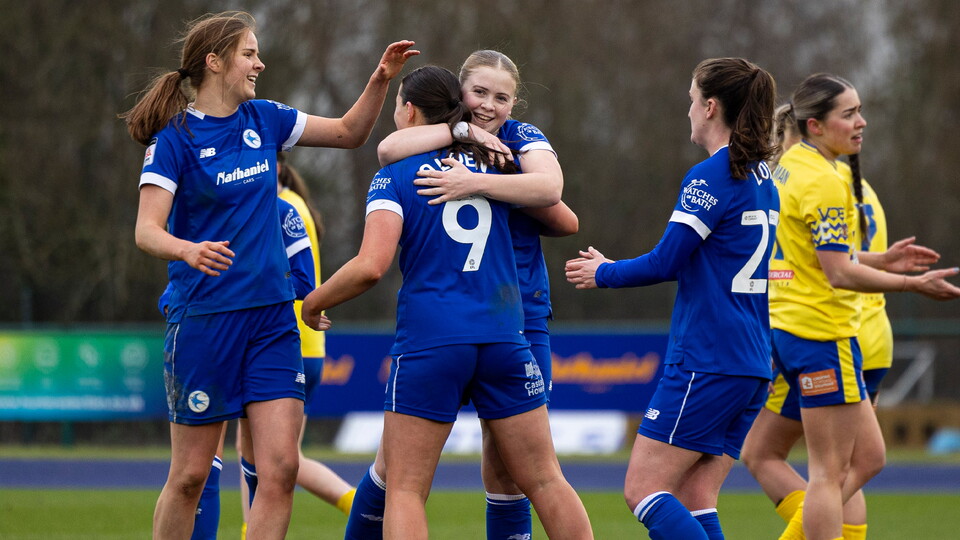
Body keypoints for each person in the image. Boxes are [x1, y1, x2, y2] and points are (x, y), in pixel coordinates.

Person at [121, 10, 417, 539]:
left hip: (273, 325)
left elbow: (350, 133)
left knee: (278, 471)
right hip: (203, 321)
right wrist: (187, 250)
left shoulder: (267, 119)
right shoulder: (173, 140)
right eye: (249, 53)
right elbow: (147, 230)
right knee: (190, 476)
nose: (261, 62)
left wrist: (380, 80)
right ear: (215, 62)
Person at [301, 65, 593, 540]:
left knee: (406, 490)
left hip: (431, 342)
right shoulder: (500, 162)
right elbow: (562, 218)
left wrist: (313, 303)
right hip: (504, 337)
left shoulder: (395, 175)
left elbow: (371, 266)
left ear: (408, 109)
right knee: (543, 479)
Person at [565, 57, 781, 539]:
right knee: (696, 498)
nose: (686, 111)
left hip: (708, 359)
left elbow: (666, 262)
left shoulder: (711, 176)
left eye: (689, 100)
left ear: (709, 106)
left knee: (642, 490)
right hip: (753, 363)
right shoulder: (765, 179)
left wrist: (604, 273)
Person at [747, 73, 960, 540]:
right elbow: (838, 273)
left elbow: (819, 254)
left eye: (861, 110)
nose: (862, 123)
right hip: (822, 333)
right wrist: (911, 283)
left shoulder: (789, 166)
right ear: (815, 125)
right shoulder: (827, 181)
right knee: (829, 474)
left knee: (869, 458)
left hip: (792, 328)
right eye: (849, 114)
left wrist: (879, 259)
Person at [741, 102, 893, 540]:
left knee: (816, 466)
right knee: (842, 461)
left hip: (823, 331)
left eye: (776, 139)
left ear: (795, 136)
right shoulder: (858, 187)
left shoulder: (803, 183)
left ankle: (803, 531)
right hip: (872, 333)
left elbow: (792, 269)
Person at [236, 154, 356, 539]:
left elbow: (294, 279)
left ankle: (363, 506)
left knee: (275, 457)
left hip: (288, 343)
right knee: (266, 453)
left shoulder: (282, 208)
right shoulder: (294, 205)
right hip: (304, 343)